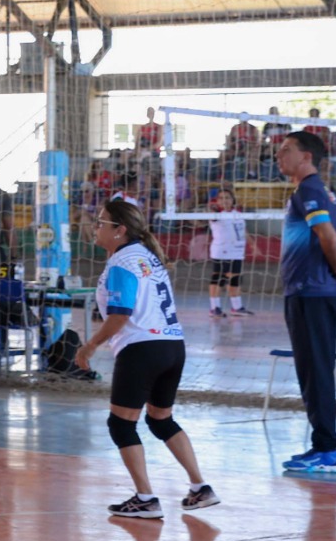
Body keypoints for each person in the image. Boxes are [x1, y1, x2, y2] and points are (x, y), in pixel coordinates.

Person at [72, 200, 213, 519]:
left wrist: (90, 345)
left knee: (121, 424)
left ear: (120, 231)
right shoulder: (148, 257)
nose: (95, 227)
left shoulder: (123, 262)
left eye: (101, 222)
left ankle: (146, 498)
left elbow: (120, 315)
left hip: (142, 348)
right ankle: (199, 487)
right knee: (160, 419)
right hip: (172, 346)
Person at [277, 129, 336, 476]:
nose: (279, 157)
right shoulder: (322, 191)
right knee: (316, 370)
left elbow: (328, 237)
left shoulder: (309, 190)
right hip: (313, 292)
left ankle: (327, 450)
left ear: (306, 157)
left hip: (310, 292)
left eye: (285, 150)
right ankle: (324, 446)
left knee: (315, 372)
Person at [206, 187, 249, 317]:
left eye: (227, 198)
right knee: (218, 279)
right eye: (221, 198)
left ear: (233, 200)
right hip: (222, 251)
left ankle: (236, 307)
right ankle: (214, 308)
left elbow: (243, 231)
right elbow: (211, 215)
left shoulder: (238, 214)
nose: (225, 201)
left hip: (237, 251)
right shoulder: (216, 214)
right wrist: (211, 209)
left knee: (235, 279)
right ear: (217, 201)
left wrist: (252, 244)